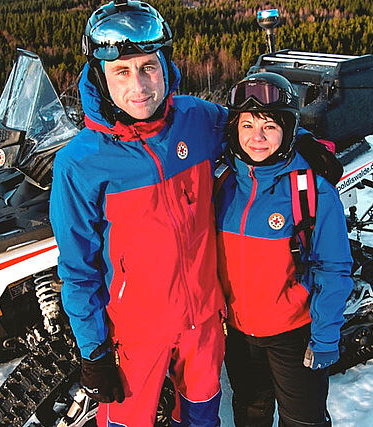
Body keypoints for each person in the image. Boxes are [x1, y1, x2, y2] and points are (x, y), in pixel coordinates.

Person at [49, 1, 228, 426]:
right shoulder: (80, 162)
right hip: (134, 336)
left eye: (149, 67)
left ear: (165, 65)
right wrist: (93, 352)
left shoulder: (197, 119)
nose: (139, 86)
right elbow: (77, 268)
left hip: (203, 321)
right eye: (122, 73)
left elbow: (258, 132)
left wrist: (305, 142)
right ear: (100, 77)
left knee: (203, 416)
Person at [215, 72, 355, 427]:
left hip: (294, 333)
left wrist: (325, 337)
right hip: (239, 334)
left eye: (269, 126)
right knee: (250, 412)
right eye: (246, 125)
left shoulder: (310, 190)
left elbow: (334, 268)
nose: (256, 137)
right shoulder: (223, 182)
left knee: (302, 419)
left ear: (288, 129)